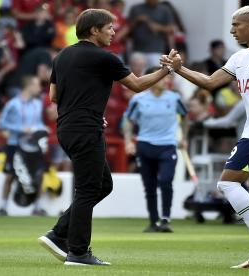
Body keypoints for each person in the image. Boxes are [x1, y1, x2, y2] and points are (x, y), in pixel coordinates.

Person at [37, 8, 178, 266]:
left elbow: (53, 97)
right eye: (109, 27)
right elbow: (136, 85)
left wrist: (85, 109)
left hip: (67, 127)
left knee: (103, 185)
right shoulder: (105, 58)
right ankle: (78, 252)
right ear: (94, 30)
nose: (114, 32)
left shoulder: (61, 56)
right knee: (89, 188)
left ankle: (59, 234)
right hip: (85, 128)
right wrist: (167, 70)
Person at [161, 5, 249, 268]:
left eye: (237, 25)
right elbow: (210, 82)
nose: (232, 30)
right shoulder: (240, 57)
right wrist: (179, 69)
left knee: (227, 184)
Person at [123, 66, 188, 233]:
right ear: (152, 79)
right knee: (149, 186)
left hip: (167, 145)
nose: (166, 80)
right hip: (145, 145)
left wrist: (183, 138)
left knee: (166, 181)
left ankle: (165, 219)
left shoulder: (174, 98)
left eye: (167, 77)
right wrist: (128, 141)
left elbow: (185, 117)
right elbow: (129, 121)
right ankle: (153, 221)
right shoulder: (139, 99)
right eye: (162, 77)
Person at [0, 75, 46, 216]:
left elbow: (39, 122)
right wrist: (20, 128)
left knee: (39, 175)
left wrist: (41, 129)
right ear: (28, 86)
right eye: (36, 85)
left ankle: (37, 207)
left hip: (33, 146)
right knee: (11, 175)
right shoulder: (13, 104)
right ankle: (3, 207)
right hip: (15, 144)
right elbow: (1, 123)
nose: (39, 88)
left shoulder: (38, 104)